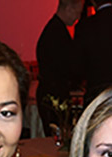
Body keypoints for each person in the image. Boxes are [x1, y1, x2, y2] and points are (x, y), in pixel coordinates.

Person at [36, 0, 85, 135]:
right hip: (54, 95)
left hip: (50, 93)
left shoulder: (53, 30)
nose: (78, 17)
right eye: (77, 12)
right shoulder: (57, 33)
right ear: (69, 8)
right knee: (59, 136)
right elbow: (69, 66)